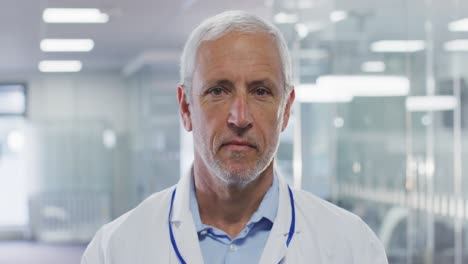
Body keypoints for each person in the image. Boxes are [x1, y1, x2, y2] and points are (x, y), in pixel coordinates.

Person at [81, 10, 388, 264]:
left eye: (260, 91)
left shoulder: (351, 247)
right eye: (218, 90)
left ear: (286, 109)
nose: (240, 118)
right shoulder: (116, 249)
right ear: (185, 107)